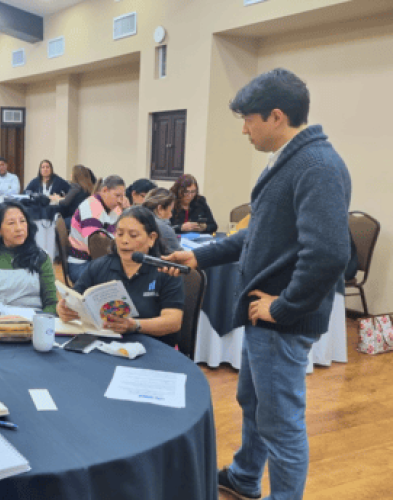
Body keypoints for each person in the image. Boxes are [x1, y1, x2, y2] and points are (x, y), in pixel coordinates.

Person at [161, 68, 351, 500]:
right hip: (263, 316)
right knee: (254, 403)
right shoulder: (290, 160)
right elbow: (257, 234)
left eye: (249, 119)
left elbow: (329, 254)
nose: (244, 129)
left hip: (281, 320)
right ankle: (246, 476)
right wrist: (200, 256)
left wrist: (283, 307)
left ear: (276, 116)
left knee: (281, 424)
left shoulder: (317, 166)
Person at [58, 206, 184, 346]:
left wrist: (135, 325)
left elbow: (173, 322)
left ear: (151, 238)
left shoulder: (165, 271)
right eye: (120, 233)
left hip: (153, 347)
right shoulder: (100, 266)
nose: (124, 240)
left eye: (133, 235)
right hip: (105, 344)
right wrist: (63, 309)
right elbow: (74, 296)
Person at [0, 201, 57, 313]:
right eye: (11, 223)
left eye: (22, 221)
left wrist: (41, 321)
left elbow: (51, 304)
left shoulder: (40, 257)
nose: (19, 228)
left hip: (31, 320)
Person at [67, 175, 127, 283]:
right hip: (82, 264)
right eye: (117, 195)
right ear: (104, 191)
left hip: (99, 260)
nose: (120, 200)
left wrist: (127, 210)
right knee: (123, 278)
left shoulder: (114, 207)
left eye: (122, 196)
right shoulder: (90, 208)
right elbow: (97, 250)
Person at [142, 187, 182, 253]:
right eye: (170, 210)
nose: (171, 215)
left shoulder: (136, 218)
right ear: (160, 209)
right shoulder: (164, 228)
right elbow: (180, 255)